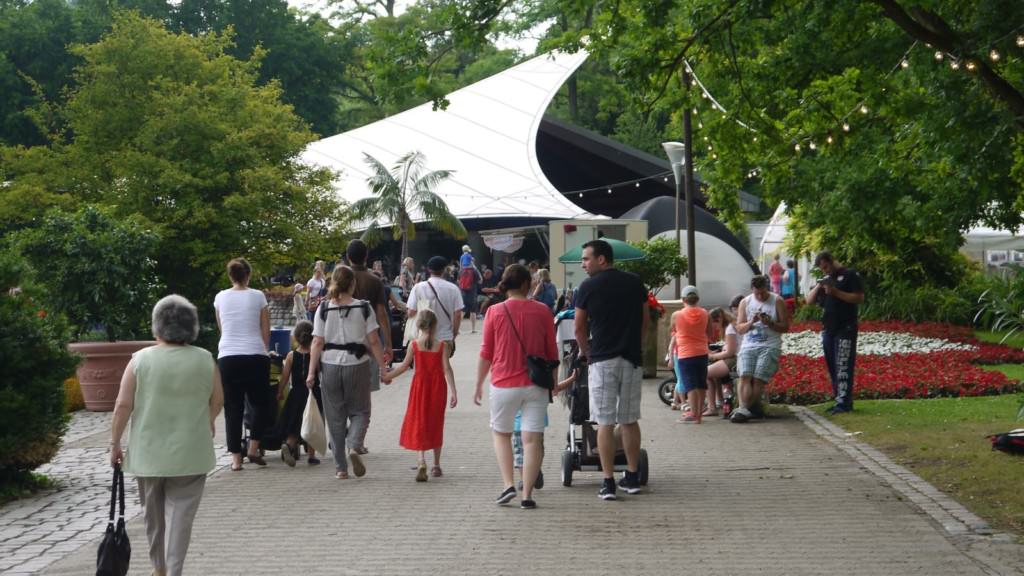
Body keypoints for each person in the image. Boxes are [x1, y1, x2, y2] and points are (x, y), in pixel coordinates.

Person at [110, 295, 224, 576]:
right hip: (191, 453)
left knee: (153, 517)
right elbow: (218, 400)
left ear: (156, 326)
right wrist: (208, 420)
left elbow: (123, 405)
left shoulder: (139, 360)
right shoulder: (205, 359)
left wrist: (114, 443)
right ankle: (174, 570)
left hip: (148, 454)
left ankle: (158, 568)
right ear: (192, 327)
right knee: (181, 517)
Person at [474, 264, 561, 509]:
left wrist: (479, 383)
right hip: (536, 385)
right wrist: (554, 382)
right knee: (532, 440)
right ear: (526, 284)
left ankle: (507, 484)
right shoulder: (543, 311)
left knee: (502, 434)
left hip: (503, 384)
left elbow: (486, 352)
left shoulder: (494, 312)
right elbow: (551, 351)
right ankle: (527, 495)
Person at [573, 239, 648, 500]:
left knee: (604, 421)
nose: (583, 264)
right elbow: (645, 321)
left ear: (601, 259)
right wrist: (635, 345)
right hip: (631, 358)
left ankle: (607, 481)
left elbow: (579, 327)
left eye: (586, 259)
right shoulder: (635, 282)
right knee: (629, 419)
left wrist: (585, 352)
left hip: (603, 360)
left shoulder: (587, 286)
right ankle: (632, 475)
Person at [307, 265, 389, 479]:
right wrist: (383, 367)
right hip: (357, 365)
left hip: (330, 365)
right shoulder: (363, 307)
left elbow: (317, 341)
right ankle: (354, 445)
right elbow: (373, 340)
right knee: (361, 412)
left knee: (335, 417)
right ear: (353, 284)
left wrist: (311, 373)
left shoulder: (323, 309)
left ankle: (341, 469)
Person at [382, 309, 457, 481]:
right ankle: (437, 465)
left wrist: (387, 376)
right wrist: (454, 391)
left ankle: (421, 460)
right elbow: (447, 369)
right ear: (435, 325)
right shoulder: (442, 346)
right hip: (438, 388)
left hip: (420, 387)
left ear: (418, 325)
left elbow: (402, 367)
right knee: (436, 422)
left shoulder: (414, 345)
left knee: (420, 421)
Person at [213, 257, 271, 470]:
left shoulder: (220, 297)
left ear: (231, 276)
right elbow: (266, 330)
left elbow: (222, 328)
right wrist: (264, 350)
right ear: (249, 275)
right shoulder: (258, 296)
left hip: (228, 356)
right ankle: (254, 447)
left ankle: (236, 459)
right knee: (261, 404)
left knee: (233, 408)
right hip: (255, 355)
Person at [346, 239, 393, 455]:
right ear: (366, 257)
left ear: (348, 257)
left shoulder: (339, 279)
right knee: (364, 395)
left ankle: (346, 432)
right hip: (368, 342)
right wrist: (388, 345)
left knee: (345, 393)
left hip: (341, 344)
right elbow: (382, 314)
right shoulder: (374, 281)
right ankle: (357, 439)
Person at [807, 251, 864, 415]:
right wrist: (820, 285)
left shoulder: (849, 275)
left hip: (845, 327)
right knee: (832, 365)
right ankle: (838, 398)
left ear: (832, 261)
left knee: (843, 365)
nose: (825, 271)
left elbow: (859, 298)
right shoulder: (826, 281)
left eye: (826, 267)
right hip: (829, 329)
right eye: (822, 269)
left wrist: (836, 292)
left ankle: (844, 402)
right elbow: (809, 301)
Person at [731, 275, 789, 423]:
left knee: (758, 379)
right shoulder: (745, 302)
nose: (760, 296)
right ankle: (744, 409)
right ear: (752, 290)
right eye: (757, 293)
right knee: (745, 375)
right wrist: (752, 321)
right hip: (749, 345)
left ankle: (745, 409)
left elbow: (785, 327)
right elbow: (739, 328)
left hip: (770, 345)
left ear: (768, 288)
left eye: (763, 292)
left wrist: (770, 323)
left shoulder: (777, 301)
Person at [276, 321, 323, 467]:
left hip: (295, 394)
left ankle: (289, 446)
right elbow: (321, 372)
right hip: (313, 393)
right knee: (312, 424)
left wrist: (279, 392)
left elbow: (284, 377)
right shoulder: (316, 355)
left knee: (294, 424)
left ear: (296, 337)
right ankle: (311, 456)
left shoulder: (291, 355)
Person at [671, 286, 713, 424]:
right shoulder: (705, 313)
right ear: (698, 299)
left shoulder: (676, 315)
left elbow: (674, 330)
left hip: (685, 354)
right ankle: (699, 414)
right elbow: (710, 334)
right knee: (701, 384)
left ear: (683, 299)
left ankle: (694, 415)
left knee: (690, 385)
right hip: (702, 352)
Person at [407, 256, 464, 357]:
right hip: (445, 337)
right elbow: (458, 315)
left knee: (423, 369)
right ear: (445, 269)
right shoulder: (453, 289)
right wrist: (453, 334)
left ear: (429, 269)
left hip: (423, 338)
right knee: (442, 368)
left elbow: (411, 312)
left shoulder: (418, 288)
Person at [705, 306, 739, 415]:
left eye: (714, 323)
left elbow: (730, 352)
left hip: (734, 359)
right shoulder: (730, 326)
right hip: (732, 357)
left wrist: (713, 356)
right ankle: (719, 401)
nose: (714, 327)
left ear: (719, 319)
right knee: (713, 373)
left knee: (704, 373)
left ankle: (712, 407)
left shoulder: (729, 328)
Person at [458, 254, 482, 333]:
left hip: (464, 293)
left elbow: (458, 281)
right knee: (473, 311)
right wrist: (477, 270)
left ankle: (457, 329)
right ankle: (473, 329)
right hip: (472, 293)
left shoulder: (461, 271)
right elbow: (480, 281)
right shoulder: (474, 271)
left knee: (463, 311)